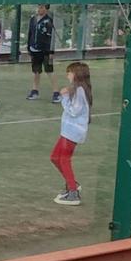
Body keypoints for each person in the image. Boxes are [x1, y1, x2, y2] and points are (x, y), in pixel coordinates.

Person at [53, 60, 92, 205]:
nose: (67, 75)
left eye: (69, 72)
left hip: (73, 131)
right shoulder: (77, 89)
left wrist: (64, 97)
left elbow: (73, 111)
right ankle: (72, 184)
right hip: (68, 130)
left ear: (76, 74)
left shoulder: (80, 91)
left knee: (63, 159)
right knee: (55, 157)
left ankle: (73, 193)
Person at [26, 3, 56, 101]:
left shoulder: (49, 21)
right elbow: (30, 34)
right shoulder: (33, 19)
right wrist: (29, 48)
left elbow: (52, 38)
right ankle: (35, 91)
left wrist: (51, 52)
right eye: (38, 7)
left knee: (49, 71)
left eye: (42, 7)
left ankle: (56, 93)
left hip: (46, 51)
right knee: (36, 71)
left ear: (46, 9)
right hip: (34, 50)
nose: (39, 9)